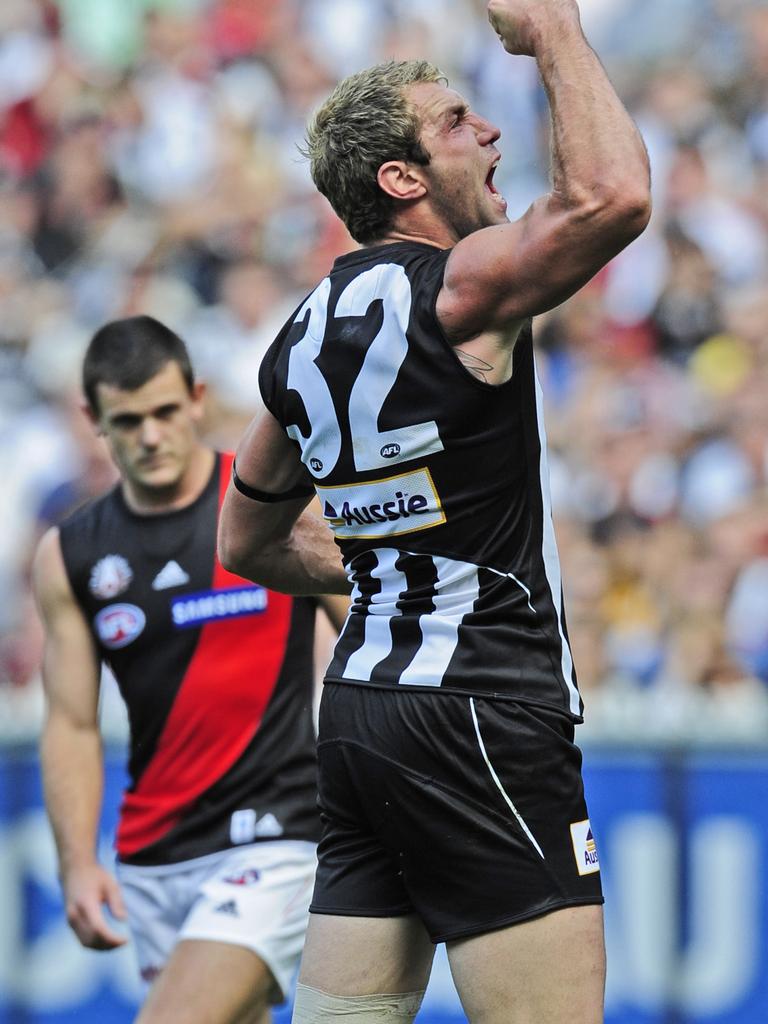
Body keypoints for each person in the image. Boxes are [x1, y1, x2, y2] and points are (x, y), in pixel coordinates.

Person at [217, 1, 651, 1021]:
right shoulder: (458, 291)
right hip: (485, 706)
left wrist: (386, 557)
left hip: (363, 709)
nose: (490, 132)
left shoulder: (297, 338)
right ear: (401, 180)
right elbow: (614, 196)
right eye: (458, 122)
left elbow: (247, 539)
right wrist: (552, 32)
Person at [32, 315, 347, 1024]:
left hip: (276, 833)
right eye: (129, 419)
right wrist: (78, 862)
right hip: (151, 853)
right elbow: (73, 722)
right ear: (94, 420)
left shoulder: (269, 508)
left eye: (166, 411)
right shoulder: (72, 554)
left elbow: (366, 629)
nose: (150, 435)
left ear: (197, 398)